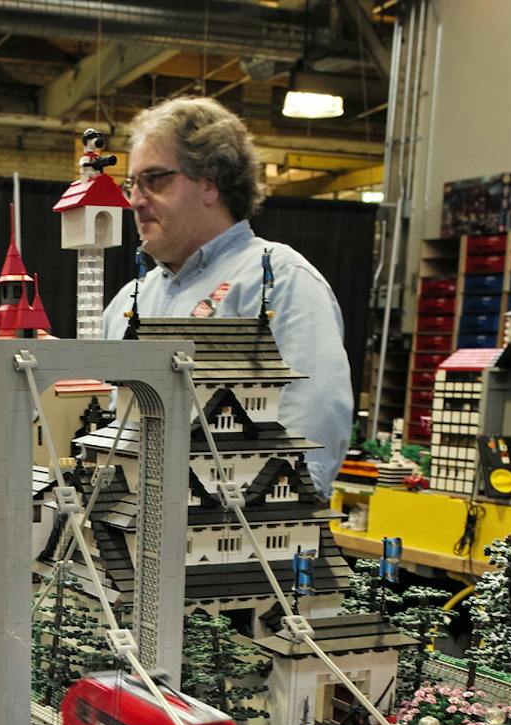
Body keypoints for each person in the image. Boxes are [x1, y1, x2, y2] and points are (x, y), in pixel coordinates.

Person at [100, 96, 357, 485]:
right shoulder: (127, 303)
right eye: (132, 183)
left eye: (154, 180)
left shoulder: (279, 283)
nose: (134, 200)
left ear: (210, 181)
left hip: (233, 533)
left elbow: (311, 434)